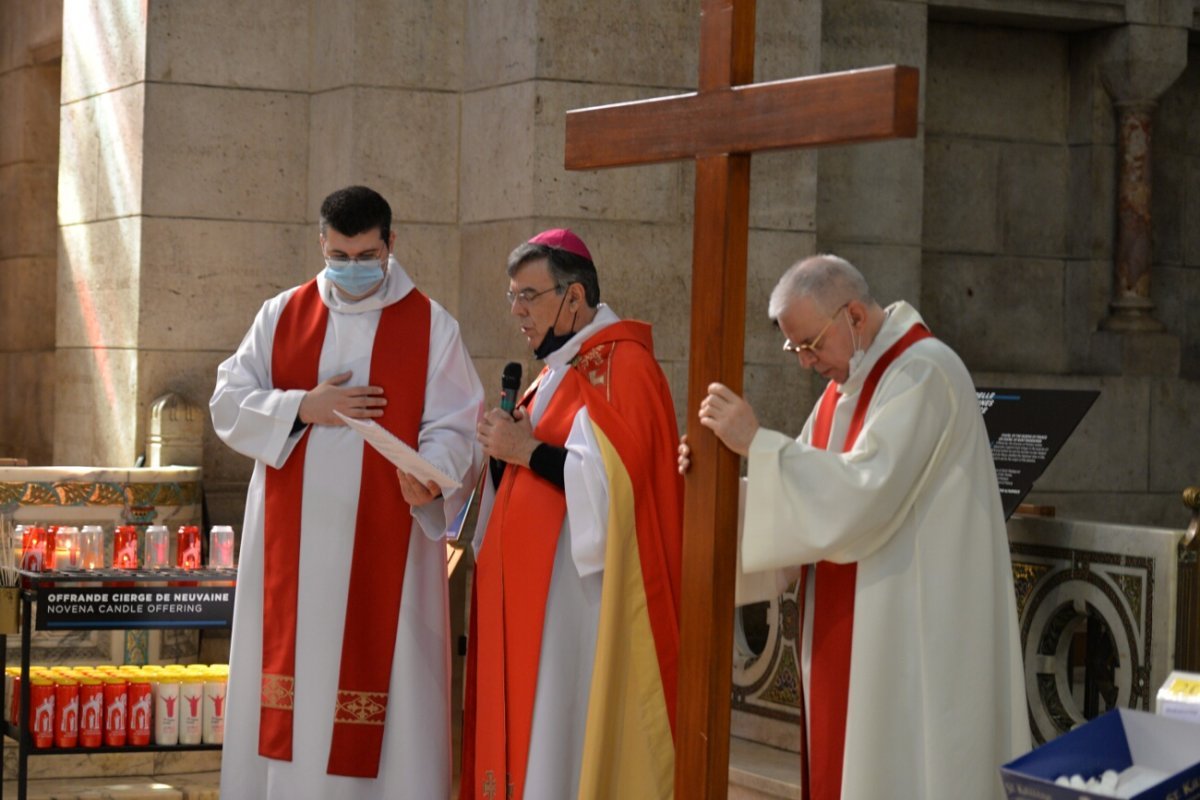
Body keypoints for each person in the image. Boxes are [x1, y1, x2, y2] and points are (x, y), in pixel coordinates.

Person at [679, 254, 1030, 800]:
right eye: (795, 348)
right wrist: (713, 491)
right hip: (857, 627)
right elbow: (805, 495)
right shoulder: (841, 392)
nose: (805, 362)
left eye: (811, 344)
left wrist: (758, 443)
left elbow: (863, 494)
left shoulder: (922, 373)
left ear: (855, 317)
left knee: (908, 770)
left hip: (915, 634)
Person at [210, 185, 483, 799]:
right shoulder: (281, 314)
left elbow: (459, 424)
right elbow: (226, 403)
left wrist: (430, 475)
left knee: (390, 707)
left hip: (388, 547)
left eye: (365, 256)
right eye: (340, 254)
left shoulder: (431, 324)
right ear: (321, 244)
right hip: (294, 556)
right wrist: (306, 406)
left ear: (391, 245)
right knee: (293, 704)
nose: (352, 268)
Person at [460, 229, 683, 800]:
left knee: (563, 749)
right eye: (512, 296)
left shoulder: (620, 366)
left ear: (574, 298)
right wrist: (501, 455)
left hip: (579, 609)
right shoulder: (558, 368)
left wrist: (525, 451)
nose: (517, 312)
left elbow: (615, 490)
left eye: (528, 297)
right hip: (537, 601)